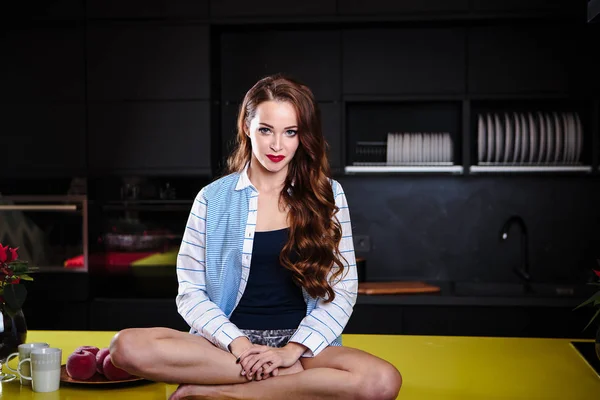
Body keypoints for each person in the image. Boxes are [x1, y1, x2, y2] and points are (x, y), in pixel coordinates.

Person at [109, 74, 402, 400]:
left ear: (302, 136)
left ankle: (224, 392)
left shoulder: (328, 195)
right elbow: (191, 291)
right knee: (126, 347)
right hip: (224, 347)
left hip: (302, 348)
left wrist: (291, 351)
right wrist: (240, 344)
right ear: (247, 127)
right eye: (266, 130)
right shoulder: (211, 198)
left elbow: (342, 290)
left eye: (290, 132)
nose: (278, 145)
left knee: (382, 381)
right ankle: (285, 383)